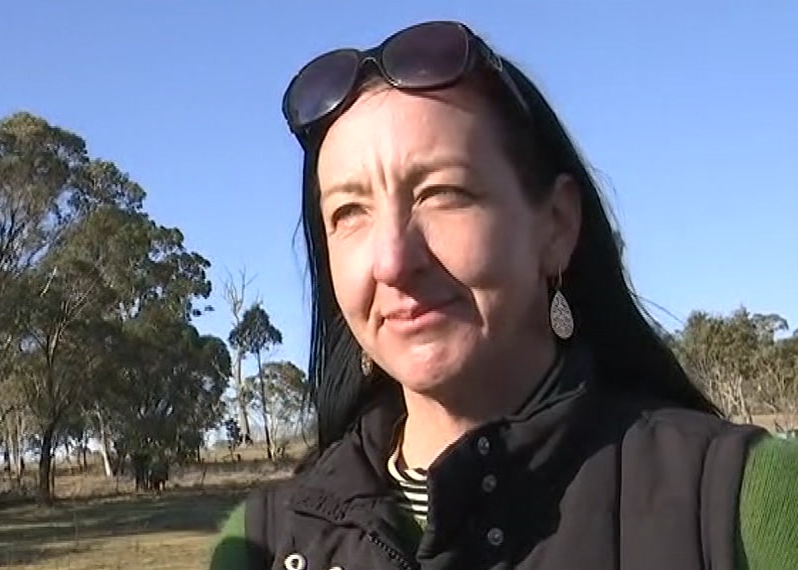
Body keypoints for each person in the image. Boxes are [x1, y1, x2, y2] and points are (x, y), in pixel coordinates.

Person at [211, 20, 798, 570]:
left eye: (442, 193)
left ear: (557, 226)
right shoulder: (265, 542)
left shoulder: (744, 503)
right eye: (349, 212)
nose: (391, 260)